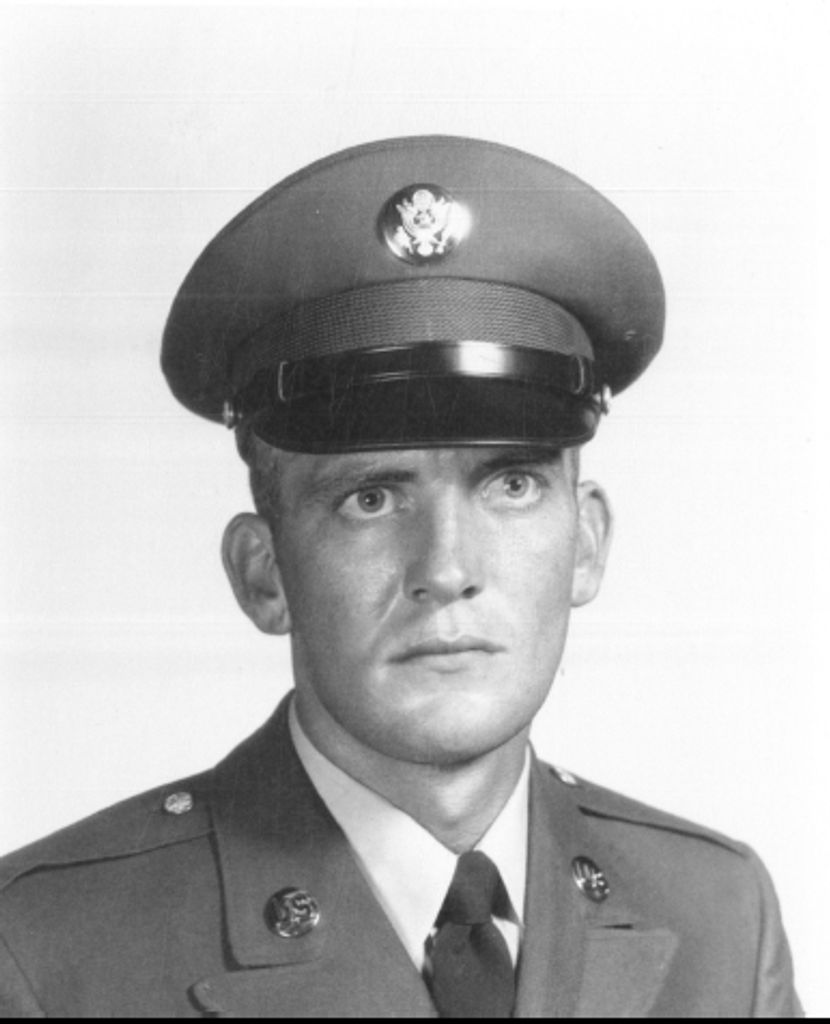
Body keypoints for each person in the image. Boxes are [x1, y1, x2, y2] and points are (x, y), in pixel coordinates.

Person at [0, 136, 802, 1018]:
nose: (447, 570)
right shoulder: (48, 952)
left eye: (511, 484)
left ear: (586, 544)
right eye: (372, 499)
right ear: (263, 575)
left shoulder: (720, 917)